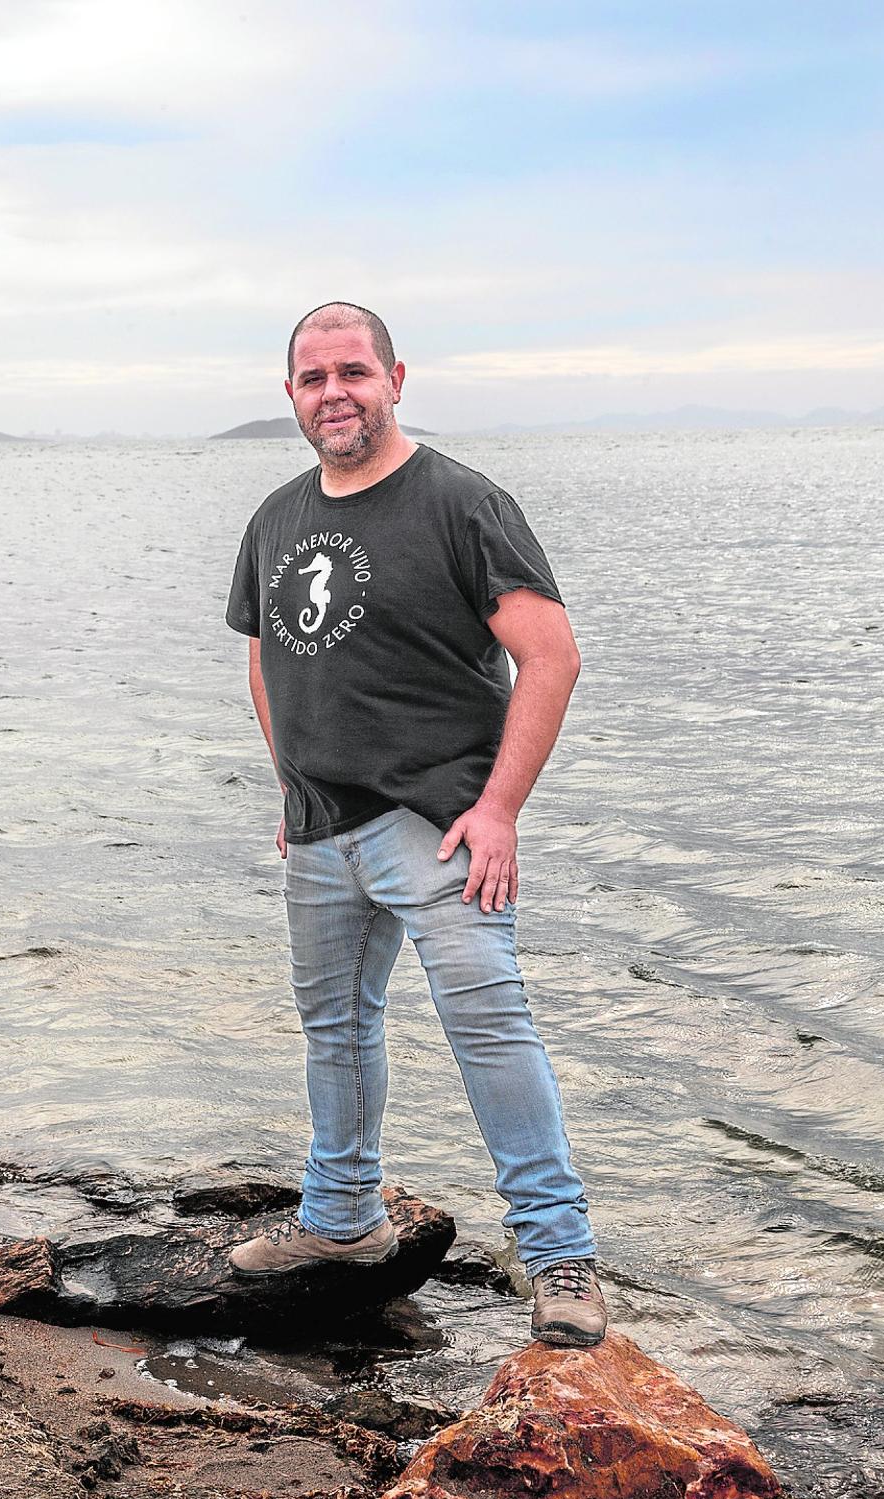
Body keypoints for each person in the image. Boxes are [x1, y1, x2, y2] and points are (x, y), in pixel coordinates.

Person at [223, 301, 605, 1347]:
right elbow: (265, 655)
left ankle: (560, 1255)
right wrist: (290, 784)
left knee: (489, 1026)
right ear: (290, 395)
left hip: (435, 825)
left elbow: (553, 653)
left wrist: (500, 808)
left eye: (354, 370)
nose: (334, 392)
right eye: (313, 377)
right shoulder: (277, 516)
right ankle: (341, 1218)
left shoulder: (460, 502)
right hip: (319, 832)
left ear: (396, 377)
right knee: (335, 1026)